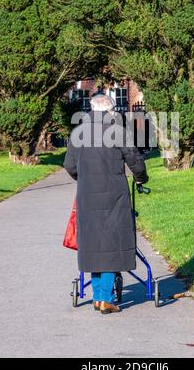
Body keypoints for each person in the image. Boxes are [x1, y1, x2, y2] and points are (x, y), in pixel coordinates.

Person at [63, 94, 148, 314]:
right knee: (112, 244)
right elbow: (134, 160)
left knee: (93, 244)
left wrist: (83, 179)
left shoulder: (78, 132)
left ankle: (98, 298)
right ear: (110, 111)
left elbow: (70, 165)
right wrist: (141, 178)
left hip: (87, 195)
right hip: (114, 195)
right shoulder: (117, 131)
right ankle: (106, 299)